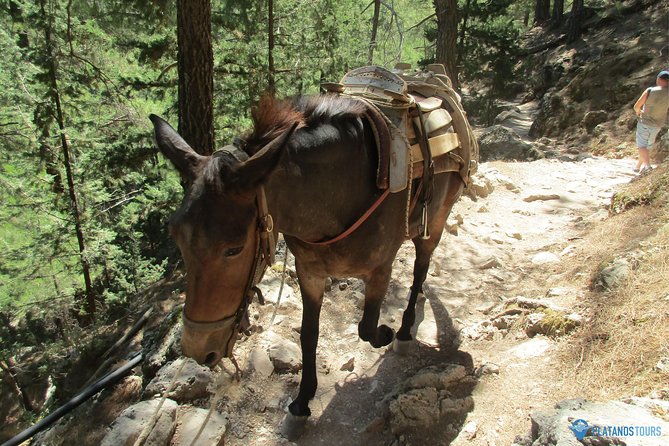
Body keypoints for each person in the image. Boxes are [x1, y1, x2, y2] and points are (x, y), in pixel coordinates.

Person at [633, 70, 669, 174]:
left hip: (645, 122)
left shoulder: (650, 91)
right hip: (658, 124)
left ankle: (647, 166)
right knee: (648, 145)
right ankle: (638, 166)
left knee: (642, 146)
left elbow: (636, 106)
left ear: (659, 79)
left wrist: (638, 112)